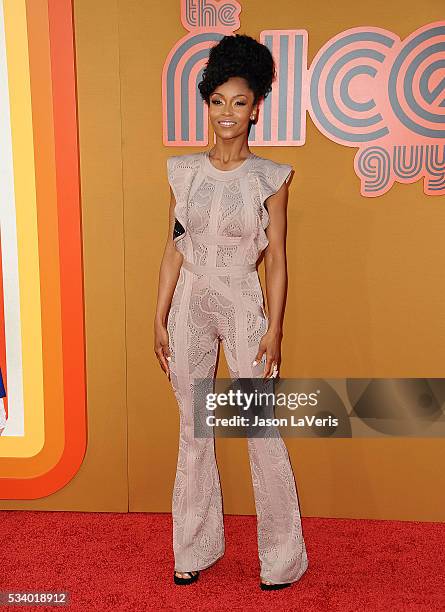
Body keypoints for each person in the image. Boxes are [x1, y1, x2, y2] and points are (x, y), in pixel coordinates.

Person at [154, 34, 308, 590]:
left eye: (238, 101)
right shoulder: (183, 173)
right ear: (207, 102)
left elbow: (278, 263)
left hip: (244, 299)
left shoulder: (271, 178)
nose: (227, 113)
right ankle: (195, 546)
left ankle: (282, 557)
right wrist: (160, 311)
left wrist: (275, 328)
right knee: (194, 429)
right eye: (217, 100)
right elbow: (174, 243)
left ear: (256, 107)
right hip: (190, 300)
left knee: (258, 426)